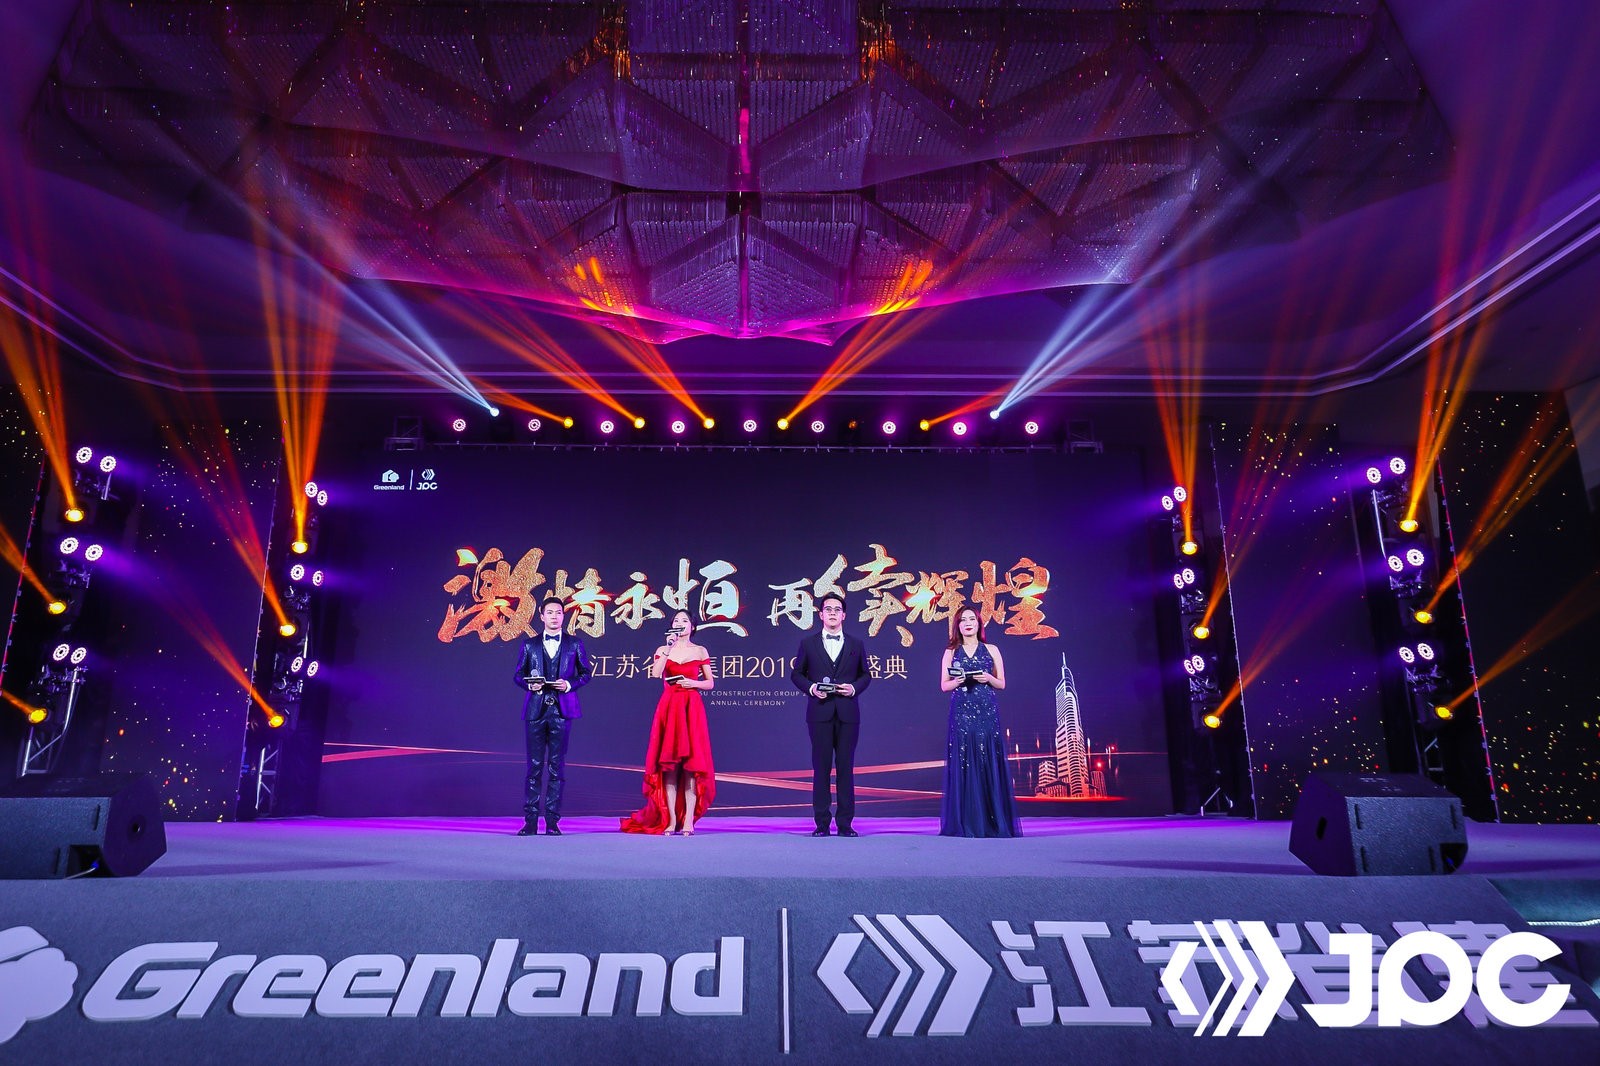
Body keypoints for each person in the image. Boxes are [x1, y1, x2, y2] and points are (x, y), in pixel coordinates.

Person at [621, 610, 717, 836]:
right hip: (670, 708)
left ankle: (689, 821)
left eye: (685, 620)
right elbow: (656, 673)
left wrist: (692, 683)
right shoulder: (663, 649)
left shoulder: (700, 650)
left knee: (692, 767)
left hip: (691, 708)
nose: (680, 623)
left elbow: (710, 683)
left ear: (692, 626)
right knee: (669, 767)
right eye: (676, 620)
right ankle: (671, 820)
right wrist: (668, 648)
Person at [790, 593, 872, 836]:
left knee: (846, 768)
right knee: (821, 768)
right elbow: (797, 674)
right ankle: (822, 824)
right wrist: (812, 688)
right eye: (828, 609)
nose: (833, 613)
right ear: (821, 614)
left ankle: (845, 824)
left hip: (848, 714)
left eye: (837, 609)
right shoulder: (808, 643)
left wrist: (854, 688)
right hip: (819, 713)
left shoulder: (856, 644)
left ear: (844, 615)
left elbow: (866, 675)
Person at [511, 596, 593, 835]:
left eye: (558, 612)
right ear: (542, 616)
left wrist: (568, 685)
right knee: (534, 767)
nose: (554, 616)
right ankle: (530, 821)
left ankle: (552, 821)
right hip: (536, 711)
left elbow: (585, 673)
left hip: (562, 711)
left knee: (557, 767)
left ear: (563, 616)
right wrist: (530, 684)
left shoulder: (574, 644)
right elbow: (518, 675)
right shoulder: (529, 645)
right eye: (550, 612)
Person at [938, 606, 1020, 837]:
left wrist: (989, 678)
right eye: (963, 620)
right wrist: (958, 681)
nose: (967, 623)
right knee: (964, 761)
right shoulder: (951, 652)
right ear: (957, 625)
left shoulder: (992, 649)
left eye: (971, 619)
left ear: (978, 623)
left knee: (987, 759)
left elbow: (1002, 683)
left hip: (986, 711)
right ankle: (966, 822)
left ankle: (992, 821)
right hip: (962, 712)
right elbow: (944, 685)